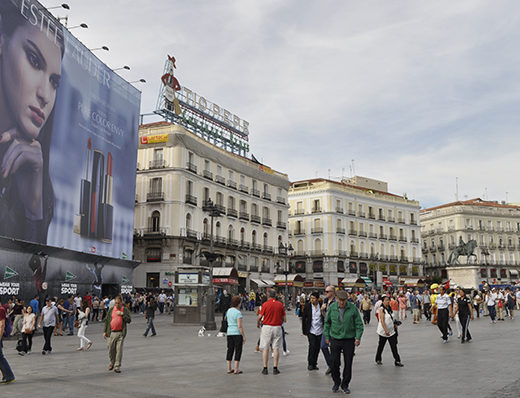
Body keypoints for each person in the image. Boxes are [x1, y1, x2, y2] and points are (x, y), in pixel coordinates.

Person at [0, 1, 65, 243]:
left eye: (54, 82)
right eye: (34, 61)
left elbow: (33, 269)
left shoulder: (38, 178)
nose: (45, 95)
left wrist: (34, 209)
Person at [324, 289, 364, 394]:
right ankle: (336, 382)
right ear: (336, 299)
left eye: (344, 300)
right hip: (335, 338)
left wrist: (358, 337)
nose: (342, 302)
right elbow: (327, 323)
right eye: (340, 300)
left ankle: (345, 384)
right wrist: (327, 336)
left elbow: (359, 324)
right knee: (334, 362)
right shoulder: (332, 308)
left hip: (349, 339)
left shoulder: (353, 308)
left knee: (348, 362)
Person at [257, 290, 286, 375]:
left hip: (267, 327)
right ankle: (275, 368)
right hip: (277, 327)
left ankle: (265, 368)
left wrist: (258, 323)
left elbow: (260, 317)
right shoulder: (280, 304)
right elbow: (284, 319)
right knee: (276, 348)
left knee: (265, 348)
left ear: (268, 296)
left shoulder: (265, 304)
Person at [103, 295, 131, 373]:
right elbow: (107, 321)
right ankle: (112, 362)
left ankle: (117, 366)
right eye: (116, 303)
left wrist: (122, 315)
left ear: (122, 302)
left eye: (118, 303)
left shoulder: (125, 310)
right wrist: (105, 331)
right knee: (110, 349)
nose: (117, 305)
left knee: (119, 350)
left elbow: (129, 320)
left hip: (120, 333)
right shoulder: (111, 310)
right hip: (111, 333)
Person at [375, 295, 403, 366]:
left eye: (388, 300)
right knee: (381, 346)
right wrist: (386, 330)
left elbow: (391, 318)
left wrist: (395, 325)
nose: (388, 301)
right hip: (383, 332)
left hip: (391, 330)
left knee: (394, 346)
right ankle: (378, 359)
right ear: (383, 301)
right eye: (386, 300)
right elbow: (382, 321)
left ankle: (397, 361)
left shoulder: (389, 308)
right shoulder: (381, 309)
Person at [302, 292, 323, 371]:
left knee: (317, 348)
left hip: (320, 330)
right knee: (312, 346)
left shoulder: (321, 306)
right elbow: (304, 318)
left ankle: (315, 363)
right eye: (311, 298)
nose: (312, 300)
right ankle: (310, 363)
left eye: (313, 298)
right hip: (311, 330)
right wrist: (304, 330)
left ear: (317, 299)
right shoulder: (308, 306)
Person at [225, 296, 246, 374]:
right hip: (237, 333)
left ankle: (229, 368)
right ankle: (236, 368)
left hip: (229, 332)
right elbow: (239, 326)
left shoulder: (228, 311)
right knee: (238, 350)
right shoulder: (238, 313)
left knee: (230, 349)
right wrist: (243, 336)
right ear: (238, 303)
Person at [320, 286, 335, 375]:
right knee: (323, 346)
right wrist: (322, 311)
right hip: (326, 327)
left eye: (327, 291)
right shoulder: (325, 301)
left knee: (333, 348)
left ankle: (334, 365)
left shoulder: (336, 302)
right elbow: (325, 317)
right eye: (325, 291)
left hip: (334, 327)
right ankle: (331, 365)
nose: (325, 293)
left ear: (332, 292)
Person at [0, 298, 14, 384]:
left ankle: (9, 375)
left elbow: (2, 325)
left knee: (0, 357)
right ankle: (6, 375)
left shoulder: (1, 310)